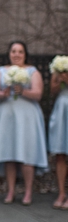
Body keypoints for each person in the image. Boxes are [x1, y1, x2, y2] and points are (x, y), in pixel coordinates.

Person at [0, 41, 48, 205]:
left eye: (20, 51)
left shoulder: (33, 72)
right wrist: (2, 94)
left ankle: (27, 192)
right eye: (13, 51)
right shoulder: (1, 71)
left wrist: (23, 91)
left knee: (27, 154)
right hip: (7, 116)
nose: (17, 54)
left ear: (25, 54)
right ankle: (10, 191)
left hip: (27, 117)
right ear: (9, 53)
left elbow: (38, 94)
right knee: (9, 154)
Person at [49, 66, 68, 209]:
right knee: (60, 153)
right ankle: (61, 192)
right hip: (62, 110)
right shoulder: (60, 65)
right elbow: (52, 91)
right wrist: (60, 80)